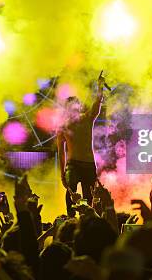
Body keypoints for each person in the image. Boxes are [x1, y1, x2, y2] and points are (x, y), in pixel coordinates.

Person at [57, 74, 105, 216]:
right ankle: (70, 218)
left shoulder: (86, 119)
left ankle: (87, 219)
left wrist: (100, 87)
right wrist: (62, 173)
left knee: (89, 196)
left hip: (88, 163)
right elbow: (61, 152)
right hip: (73, 164)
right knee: (71, 191)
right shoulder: (63, 126)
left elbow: (97, 105)